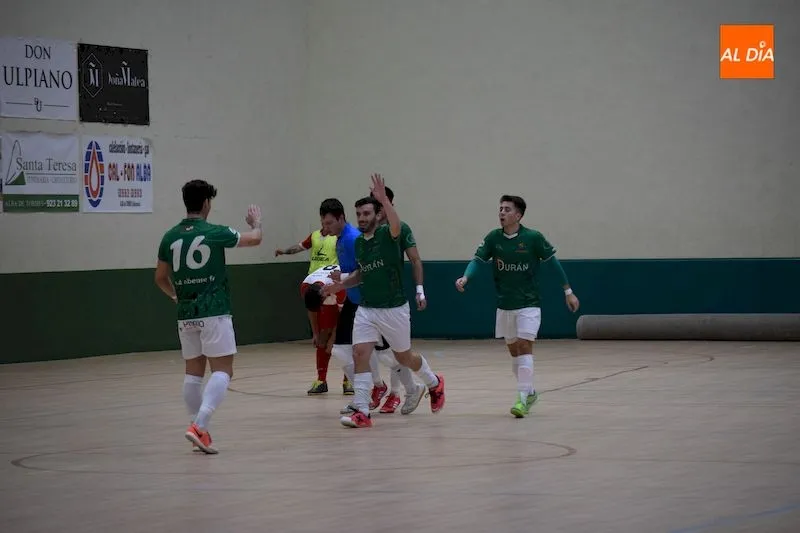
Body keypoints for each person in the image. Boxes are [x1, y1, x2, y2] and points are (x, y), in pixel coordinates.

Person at [325, 174, 445, 429]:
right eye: (359, 214)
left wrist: (384, 200)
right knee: (359, 353)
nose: (362, 218)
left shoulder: (389, 236)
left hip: (394, 309)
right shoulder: (360, 243)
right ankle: (362, 411)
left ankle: (434, 382)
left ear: (378, 214)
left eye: (367, 213)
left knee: (404, 357)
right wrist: (342, 284)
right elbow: (362, 273)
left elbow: (397, 226)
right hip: (367, 308)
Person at [154, 179, 263, 454]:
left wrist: (175, 296)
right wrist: (256, 223)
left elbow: (160, 278)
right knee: (223, 370)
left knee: (193, 374)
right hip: (214, 311)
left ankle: (198, 429)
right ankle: (199, 427)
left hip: (185, 313)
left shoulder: (169, 237)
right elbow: (255, 239)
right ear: (206, 203)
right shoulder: (214, 232)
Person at [455, 195, 580, 418]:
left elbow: (553, 264)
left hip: (529, 304)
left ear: (518, 215)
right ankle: (530, 392)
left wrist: (568, 292)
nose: (501, 213)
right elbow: (477, 260)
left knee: (524, 346)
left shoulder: (533, 238)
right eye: (500, 209)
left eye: (507, 209)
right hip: (505, 305)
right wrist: (466, 278)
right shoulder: (493, 238)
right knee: (514, 352)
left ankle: (521, 399)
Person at [319, 198, 390, 411]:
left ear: (341, 218)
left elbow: (366, 271)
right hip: (353, 300)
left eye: (329, 223)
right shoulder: (340, 239)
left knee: (389, 354)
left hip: (366, 302)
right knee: (343, 350)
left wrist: (341, 281)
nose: (325, 228)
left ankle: (413, 385)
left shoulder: (352, 239)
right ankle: (370, 392)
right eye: (323, 223)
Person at [369, 185, 426, 414]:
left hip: (393, 301)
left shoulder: (400, 228)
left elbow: (415, 260)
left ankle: (396, 393)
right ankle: (383, 388)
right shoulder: (367, 231)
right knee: (371, 349)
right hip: (371, 300)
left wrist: (420, 290)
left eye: (381, 203)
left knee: (394, 350)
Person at [275, 226, 348, 394]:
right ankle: (321, 380)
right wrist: (315, 333)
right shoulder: (306, 287)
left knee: (345, 340)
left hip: (346, 290)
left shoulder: (339, 287)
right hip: (322, 286)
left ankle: (348, 381)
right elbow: (312, 310)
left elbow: (344, 317)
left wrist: (334, 339)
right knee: (322, 337)